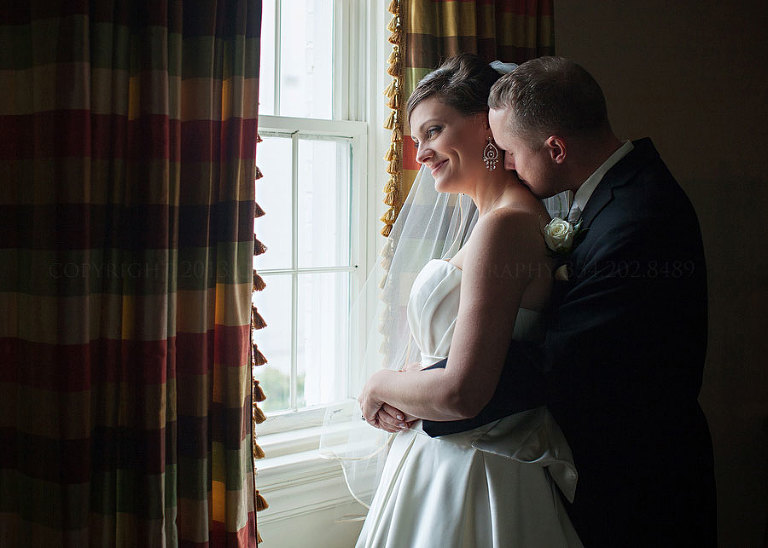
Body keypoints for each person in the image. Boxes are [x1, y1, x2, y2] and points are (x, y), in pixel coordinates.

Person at [376, 56, 717, 547]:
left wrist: (414, 388)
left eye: (510, 149)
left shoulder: (637, 217)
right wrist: (427, 381)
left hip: (640, 476)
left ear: (554, 147)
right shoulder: (609, 198)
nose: (508, 160)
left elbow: (556, 362)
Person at [356, 54, 582, 547]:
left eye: (433, 131)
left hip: (474, 467)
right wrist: (417, 377)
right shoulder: (495, 220)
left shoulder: (504, 226)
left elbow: (463, 392)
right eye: (417, 141)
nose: (422, 154)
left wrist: (380, 385)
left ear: (486, 125)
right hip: (443, 454)